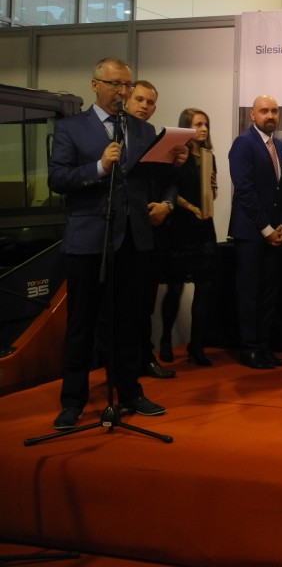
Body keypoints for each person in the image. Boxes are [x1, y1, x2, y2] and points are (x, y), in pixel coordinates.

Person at [47, 58, 167, 430]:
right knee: (81, 323)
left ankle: (129, 391)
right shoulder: (71, 128)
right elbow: (57, 178)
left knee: (128, 321)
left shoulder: (144, 130)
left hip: (133, 237)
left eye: (127, 85)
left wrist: (171, 171)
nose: (123, 91)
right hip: (89, 240)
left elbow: (154, 178)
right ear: (95, 84)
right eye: (116, 84)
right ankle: (72, 401)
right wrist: (99, 166)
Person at [228, 94, 282, 370]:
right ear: (252, 115)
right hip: (251, 233)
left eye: (274, 111)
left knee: (268, 294)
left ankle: (264, 347)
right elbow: (244, 191)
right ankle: (250, 349)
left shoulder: (280, 146)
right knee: (249, 293)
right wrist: (266, 229)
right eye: (264, 111)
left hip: (274, 234)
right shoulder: (243, 143)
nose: (270, 115)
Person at [125, 79, 177, 380]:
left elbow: (170, 181)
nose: (144, 106)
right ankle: (123, 364)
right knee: (123, 306)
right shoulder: (114, 135)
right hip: (120, 232)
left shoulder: (156, 137)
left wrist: (166, 205)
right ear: (127, 100)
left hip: (152, 232)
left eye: (150, 102)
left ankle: (145, 357)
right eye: (139, 99)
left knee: (146, 303)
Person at [159, 108, 219, 367]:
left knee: (204, 288)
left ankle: (197, 344)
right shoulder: (176, 155)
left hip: (203, 227)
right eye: (198, 124)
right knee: (175, 288)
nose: (203, 129)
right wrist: (191, 207)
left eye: (206, 124)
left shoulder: (208, 156)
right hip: (180, 227)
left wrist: (212, 189)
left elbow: (211, 195)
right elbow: (170, 190)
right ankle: (165, 339)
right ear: (186, 127)